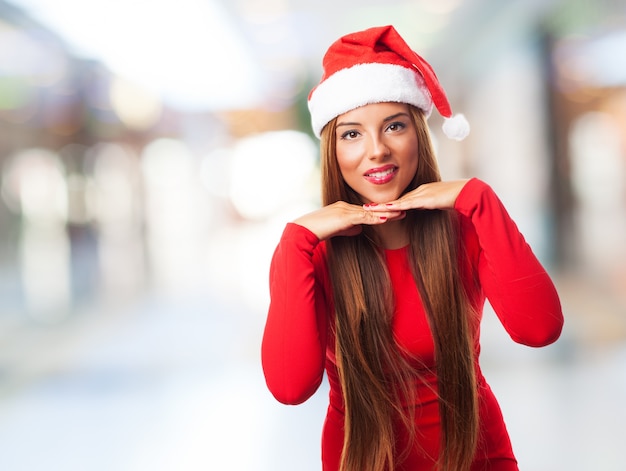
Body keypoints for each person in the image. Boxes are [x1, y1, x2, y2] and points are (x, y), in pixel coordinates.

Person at [261, 25, 563, 471]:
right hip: (363, 459)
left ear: (418, 135)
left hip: (475, 457)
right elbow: (290, 387)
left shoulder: (465, 228)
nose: (377, 151)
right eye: (351, 134)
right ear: (333, 150)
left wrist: (480, 200)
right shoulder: (312, 256)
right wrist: (295, 241)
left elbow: (539, 330)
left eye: (394, 126)